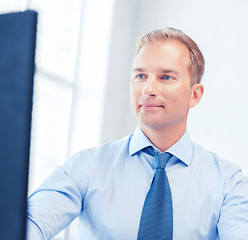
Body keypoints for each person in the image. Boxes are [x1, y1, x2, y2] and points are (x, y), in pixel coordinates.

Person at [27, 27, 248, 240]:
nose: (148, 90)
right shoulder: (86, 167)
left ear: (195, 94)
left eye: (166, 77)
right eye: (140, 76)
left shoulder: (228, 184)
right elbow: (30, 222)